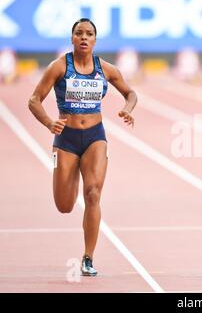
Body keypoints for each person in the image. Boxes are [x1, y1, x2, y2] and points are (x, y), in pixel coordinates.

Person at [28, 18, 137, 276]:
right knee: (65, 205)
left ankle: (88, 257)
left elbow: (131, 93)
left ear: (95, 40)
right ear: (72, 39)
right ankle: (71, 176)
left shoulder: (106, 69)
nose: (84, 38)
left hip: (94, 137)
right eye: (79, 34)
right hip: (65, 139)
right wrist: (48, 122)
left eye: (89, 34)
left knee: (93, 194)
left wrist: (127, 109)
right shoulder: (59, 67)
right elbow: (34, 100)